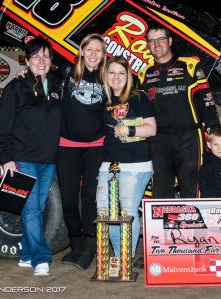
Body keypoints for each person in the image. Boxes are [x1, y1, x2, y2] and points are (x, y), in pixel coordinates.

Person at [0, 37, 62, 276]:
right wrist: (5, 158)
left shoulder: (58, 85)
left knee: (37, 207)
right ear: (28, 60)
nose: (41, 61)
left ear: (52, 60)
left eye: (46, 56)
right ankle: (41, 258)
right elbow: (2, 127)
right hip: (23, 160)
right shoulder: (15, 87)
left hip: (49, 160)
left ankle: (25, 254)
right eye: (36, 56)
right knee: (31, 209)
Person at [138, 24, 220, 199]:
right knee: (160, 190)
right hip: (158, 139)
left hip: (190, 137)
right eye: (151, 41)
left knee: (191, 188)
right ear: (148, 45)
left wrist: (216, 134)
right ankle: (161, 226)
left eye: (161, 39)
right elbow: (140, 111)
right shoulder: (143, 74)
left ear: (169, 41)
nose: (157, 44)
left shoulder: (190, 65)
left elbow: (208, 103)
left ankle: (191, 225)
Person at [96, 56, 156, 258]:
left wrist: (126, 130)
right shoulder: (104, 101)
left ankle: (125, 259)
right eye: (111, 72)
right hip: (109, 163)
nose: (116, 77)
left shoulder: (139, 97)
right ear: (105, 75)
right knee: (105, 211)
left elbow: (151, 129)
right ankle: (118, 257)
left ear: (128, 75)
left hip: (137, 164)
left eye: (121, 72)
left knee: (127, 211)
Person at [57, 33, 107, 270]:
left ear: (103, 54)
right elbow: (40, 74)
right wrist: (23, 73)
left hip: (96, 147)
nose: (94, 54)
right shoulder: (67, 72)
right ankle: (76, 243)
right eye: (90, 49)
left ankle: (89, 246)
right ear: (82, 51)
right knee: (68, 199)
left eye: (98, 50)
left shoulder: (107, 77)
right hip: (67, 145)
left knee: (89, 198)